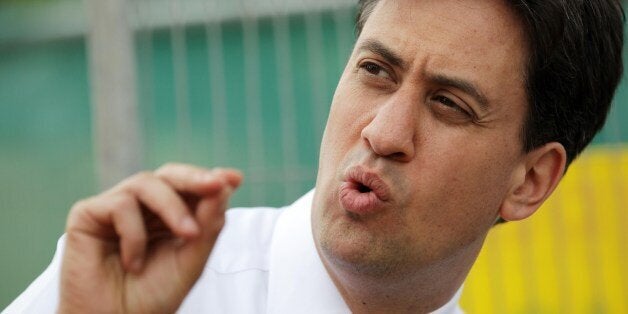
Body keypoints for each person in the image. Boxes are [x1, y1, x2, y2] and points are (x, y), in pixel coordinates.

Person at [5, 0, 624, 313]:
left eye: (449, 105)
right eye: (376, 70)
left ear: (531, 180)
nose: (384, 133)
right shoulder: (128, 293)